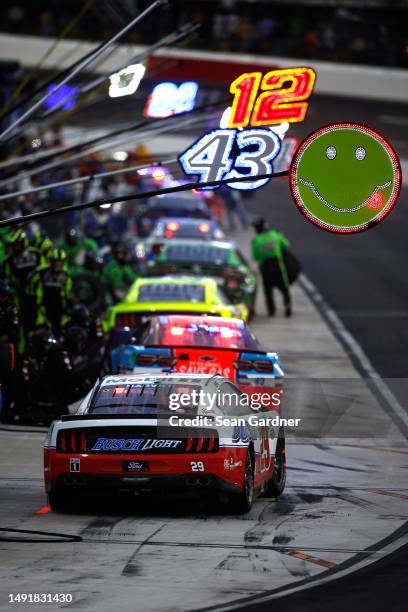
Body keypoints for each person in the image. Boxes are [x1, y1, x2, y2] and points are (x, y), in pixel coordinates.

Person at [251, 218, 292, 317]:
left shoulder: (256, 241)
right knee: (284, 288)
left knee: (268, 290)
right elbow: (286, 244)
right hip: (278, 265)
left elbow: (255, 257)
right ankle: (287, 305)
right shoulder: (275, 235)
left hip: (265, 268)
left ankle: (271, 311)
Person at [29, 248, 73, 336]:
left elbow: (67, 293)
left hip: (58, 309)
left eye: (60, 262)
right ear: (51, 261)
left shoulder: (66, 275)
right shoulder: (41, 272)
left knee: (58, 330)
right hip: (42, 307)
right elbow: (34, 287)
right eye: (56, 261)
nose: (58, 264)